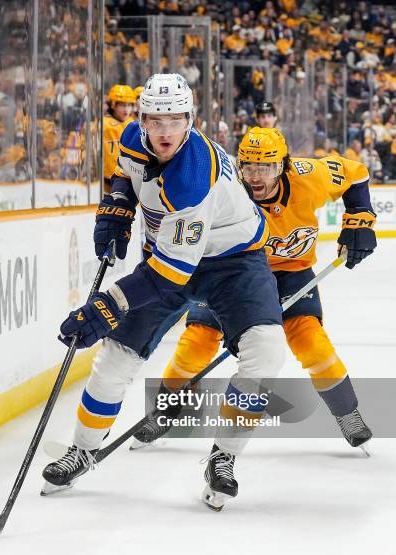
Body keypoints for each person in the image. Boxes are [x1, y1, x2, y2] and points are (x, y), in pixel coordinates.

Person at [42, 74, 287, 510]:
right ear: (142, 119)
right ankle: (82, 448)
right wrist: (118, 206)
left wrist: (106, 306)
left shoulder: (193, 177)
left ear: (190, 120)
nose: (165, 130)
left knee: (266, 352)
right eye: (156, 119)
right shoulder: (133, 138)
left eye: (175, 119)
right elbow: (126, 174)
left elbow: (171, 275)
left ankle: (223, 457)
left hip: (232, 263)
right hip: (167, 258)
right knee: (117, 354)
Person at [134, 127, 375, 457]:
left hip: (291, 274)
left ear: (284, 166)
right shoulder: (223, 183)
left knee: (311, 343)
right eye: (249, 167)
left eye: (266, 168)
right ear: (239, 166)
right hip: (230, 272)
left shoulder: (310, 177)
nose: (256, 177)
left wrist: (359, 219)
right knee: (196, 344)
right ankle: (165, 410)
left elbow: (356, 174)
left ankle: (347, 412)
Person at [103, 84, 135, 192]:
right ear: (113, 105)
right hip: (106, 179)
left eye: (129, 105)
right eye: (122, 105)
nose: (126, 109)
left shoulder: (133, 124)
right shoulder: (103, 124)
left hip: (128, 179)